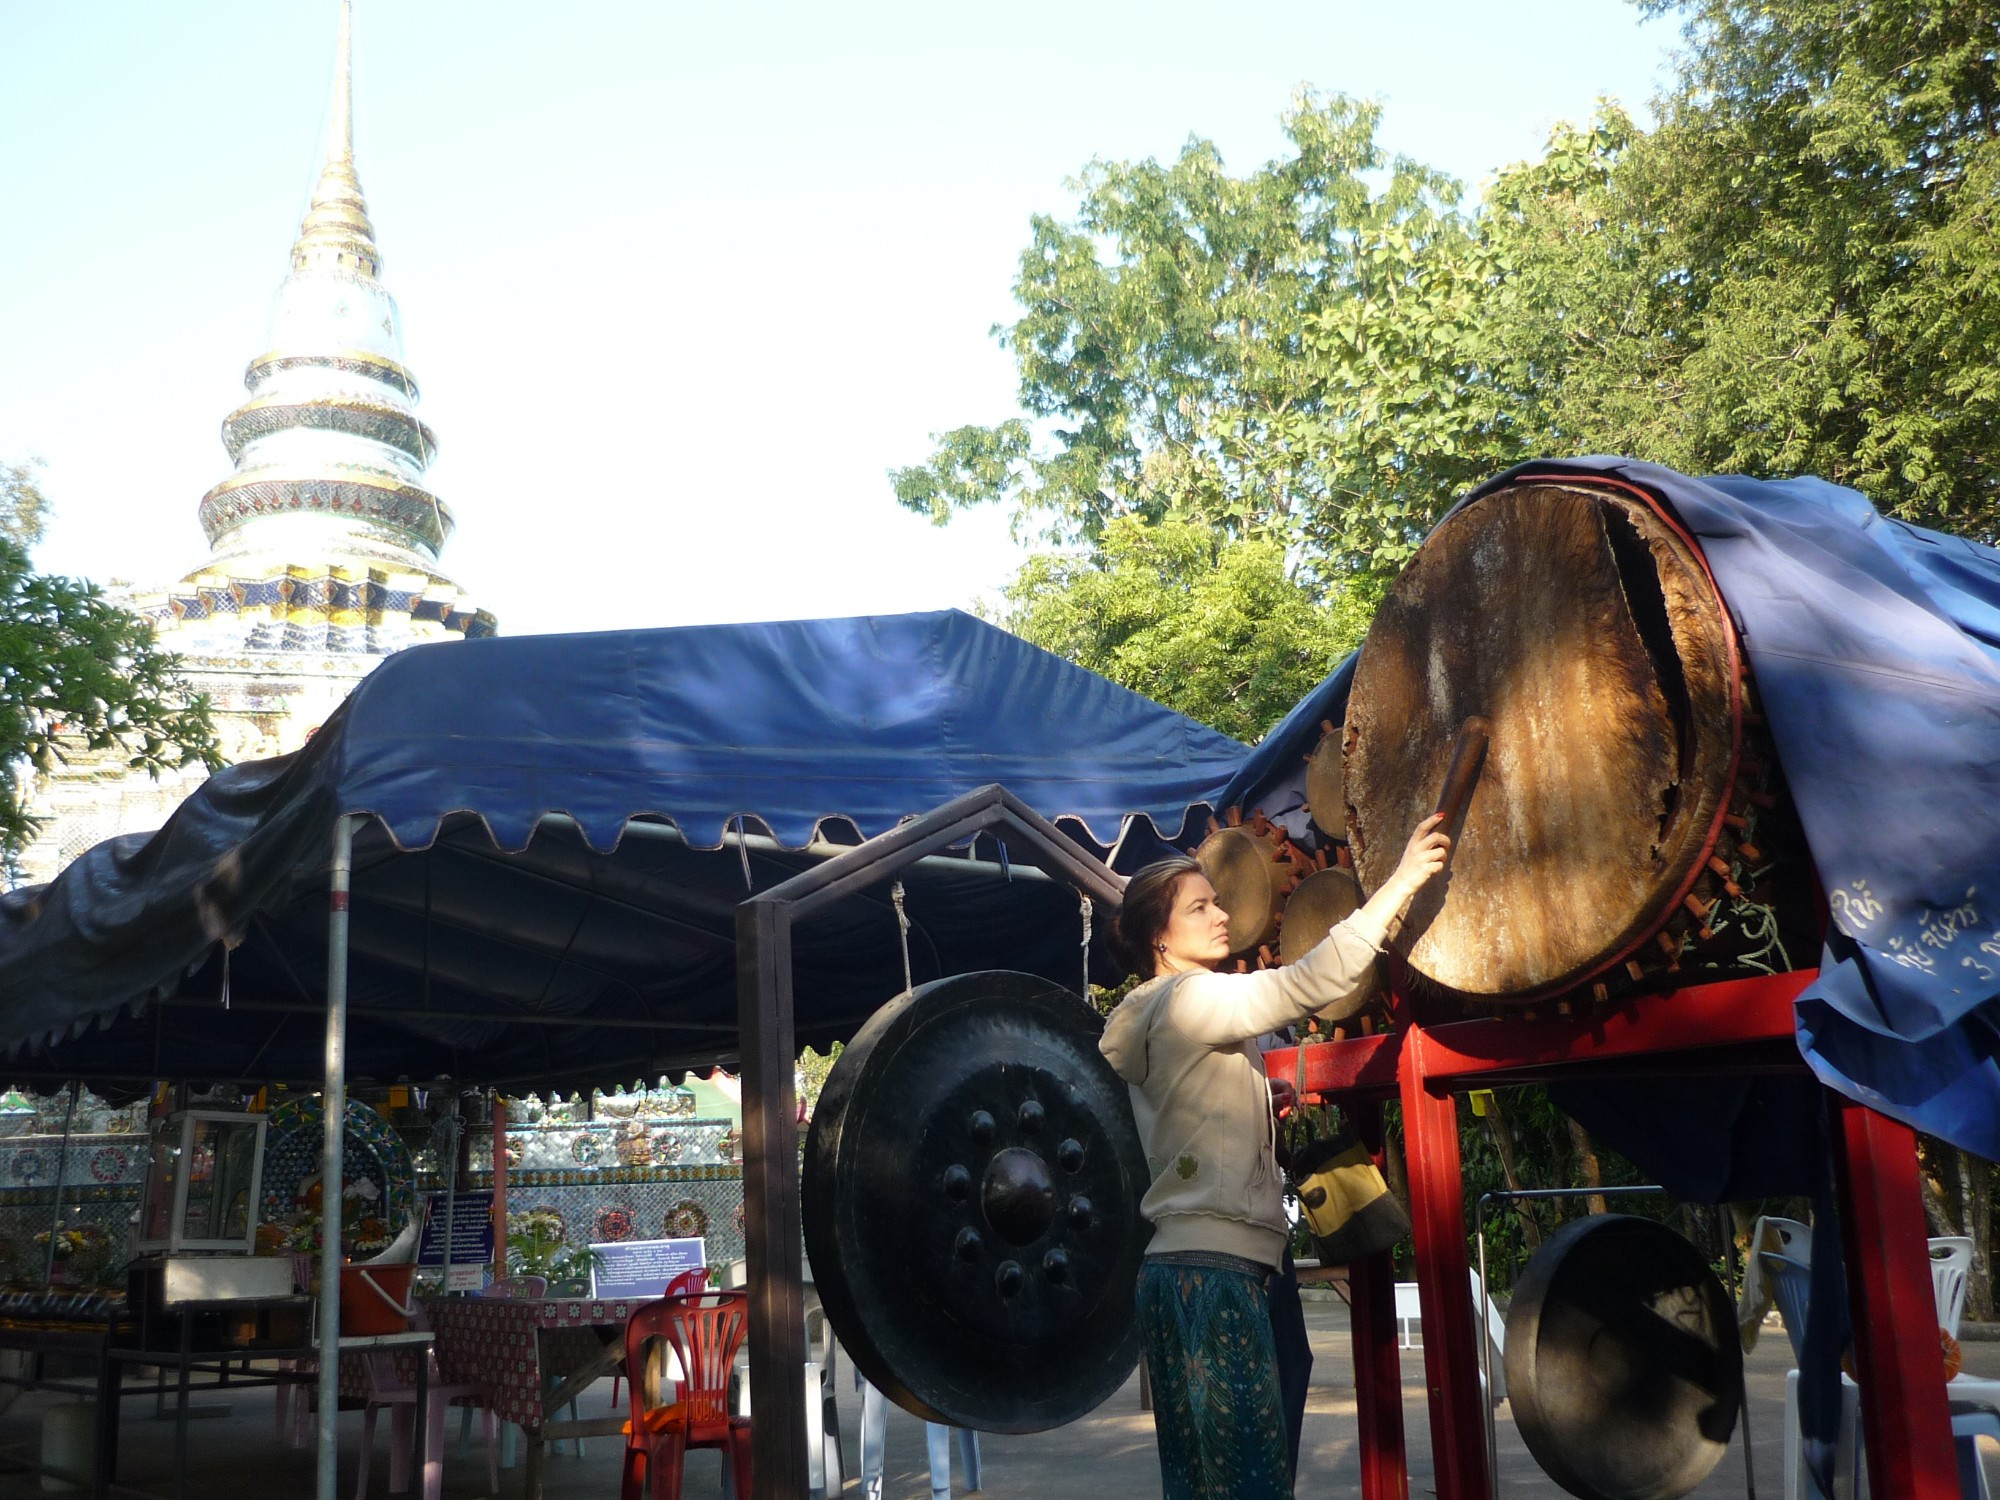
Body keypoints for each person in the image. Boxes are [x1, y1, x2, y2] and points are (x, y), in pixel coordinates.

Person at [1099, 814, 1450, 1500]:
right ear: (1159, 938)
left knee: (1202, 1487)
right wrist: (1402, 881)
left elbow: (1190, 1107)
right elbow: (1303, 984)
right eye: (1199, 907)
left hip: (1180, 1270)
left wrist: (1262, 1093)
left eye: (1217, 900)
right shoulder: (1191, 999)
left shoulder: (1162, 1012)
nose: (1221, 915)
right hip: (1218, 1277)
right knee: (1250, 1484)